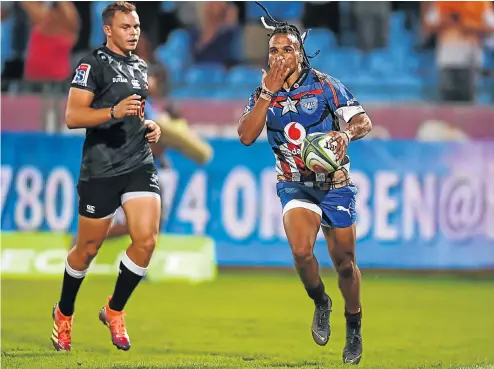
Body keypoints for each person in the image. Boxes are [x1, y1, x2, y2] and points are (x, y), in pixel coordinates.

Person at [238, 3, 373, 365]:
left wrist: (345, 135)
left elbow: (363, 121)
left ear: (300, 53)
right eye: (273, 51)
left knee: (345, 263)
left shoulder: (327, 86)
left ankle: (354, 322)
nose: (279, 56)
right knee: (301, 250)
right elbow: (246, 136)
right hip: (294, 183)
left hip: (334, 182)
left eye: (287, 49)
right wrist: (267, 93)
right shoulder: (262, 93)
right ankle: (320, 301)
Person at [51, 1, 162, 352]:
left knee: (146, 240)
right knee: (87, 250)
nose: (133, 32)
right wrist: (112, 111)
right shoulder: (91, 65)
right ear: (109, 30)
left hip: (138, 163)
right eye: (126, 27)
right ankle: (64, 313)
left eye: (137, 26)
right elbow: (73, 116)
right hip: (101, 168)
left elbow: (134, 113)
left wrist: (148, 126)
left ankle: (114, 311)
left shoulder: (141, 66)